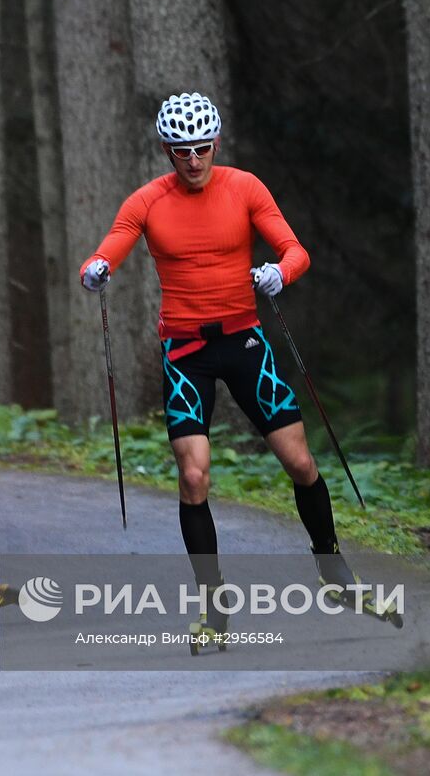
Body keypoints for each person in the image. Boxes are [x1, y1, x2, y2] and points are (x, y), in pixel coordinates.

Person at [78, 93, 357, 639]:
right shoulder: (147, 201)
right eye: (182, 150)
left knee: (299, 463)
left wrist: (281, 274)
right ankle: (213, 603)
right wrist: (96, 268)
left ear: (216, 144)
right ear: (167, 151)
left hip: (244, 342)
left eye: (203, 148)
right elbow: (112, 246)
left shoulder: (244, 187)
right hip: (185, 352)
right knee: (193, 476)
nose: (194, 159)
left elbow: (294, 249)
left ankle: (328, 558)